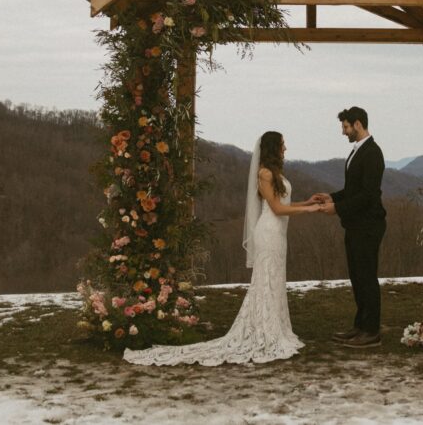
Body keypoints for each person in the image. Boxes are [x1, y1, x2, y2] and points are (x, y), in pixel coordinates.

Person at [122, 131, 322, 366]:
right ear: (272, 148)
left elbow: (285, 204)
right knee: (265, 280)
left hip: (279, 236)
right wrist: (308, 211)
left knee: (275, 280)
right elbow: (277, 209)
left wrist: (306, 203)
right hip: (268, 233)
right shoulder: (265, 174)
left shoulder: (276, 173)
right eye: (282, 145)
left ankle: (276, 327)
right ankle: (264, 331)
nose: (285, 148)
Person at [311, 106, 387, 348]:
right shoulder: (357, 152)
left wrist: (338, 209)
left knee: (367, 277)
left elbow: (368, 195)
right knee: (357, 276)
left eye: (345, 127)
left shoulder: (373, 153)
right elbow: (353, 190)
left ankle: (372, 331)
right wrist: (332, 197)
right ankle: (360, 326)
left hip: (368, 225)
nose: (343, 132)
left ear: (357, 124)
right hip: (355, 225)